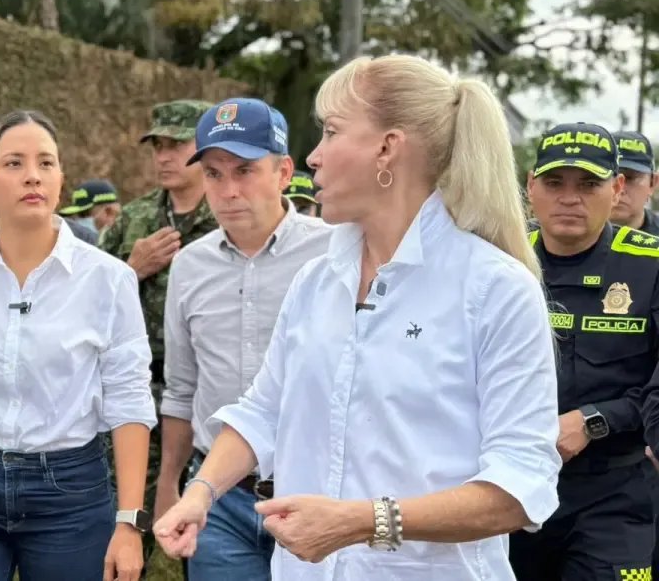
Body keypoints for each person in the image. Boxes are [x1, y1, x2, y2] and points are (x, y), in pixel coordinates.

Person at [153, 54, 561, 580]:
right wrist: (201, 492)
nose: (313, 156)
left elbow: (520, 487)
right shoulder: (316, 281)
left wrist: (362, 522)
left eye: (330, 131)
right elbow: (264, 410)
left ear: (387, 148)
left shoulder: (495, 289)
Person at [0, 110, 156, 581]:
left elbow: (129, 400)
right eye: (14, 163)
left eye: (46, 163)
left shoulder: (107, 279)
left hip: (71, 492)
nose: (32, 176)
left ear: (60, 180)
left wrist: (129, 523)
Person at [158, 98, 331, 581]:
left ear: (283, 172)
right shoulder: (189, 266)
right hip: (219, 500)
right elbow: (181, 389)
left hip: (313, 493)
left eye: (245, 170)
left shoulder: (334, 252)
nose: (228, 190)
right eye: (213, 174)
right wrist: (170, 484)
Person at [510, 122, 659, 580]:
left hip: (615, 493)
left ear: (617, 188)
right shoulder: (502, 258)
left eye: (589, 184)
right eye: (555, 182)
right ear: (531, 186)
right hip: (511, 483)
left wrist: (595, 421)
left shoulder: (650, 265)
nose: (569, 198)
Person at [98, 100, 217, 575]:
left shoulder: (228, 214)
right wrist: (133, 268)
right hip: (140, 392)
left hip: (210, 395)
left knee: (210, 534)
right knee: (128, 520)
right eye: (158, 146)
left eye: (177, 145)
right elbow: (87, 306)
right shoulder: (135, 220)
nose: (164, 156)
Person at [611, 130, 659, 235]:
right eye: (610, 177)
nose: (619, 189)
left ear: (653, 183)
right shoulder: (574, 235)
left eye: (630, 178)